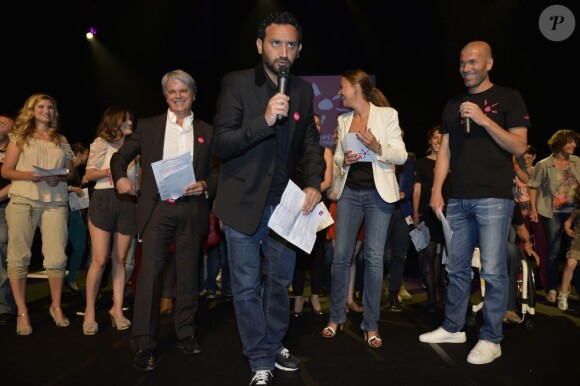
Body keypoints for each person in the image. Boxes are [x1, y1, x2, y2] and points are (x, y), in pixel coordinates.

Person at [212, 12, 324, 386]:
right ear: (260, 46)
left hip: (286, 205)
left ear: (299, 50)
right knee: (246, 287)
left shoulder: (304, 91)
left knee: (279, 283)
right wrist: (263, 120)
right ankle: (259, 357)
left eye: (290, 45)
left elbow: (310, 145)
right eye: (275, 43)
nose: (283, 51)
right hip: (242, 204)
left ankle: (273, 342)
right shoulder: (237, 83)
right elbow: (222, 144)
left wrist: (313, 183)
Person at [419, 41, 530, 365]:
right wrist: (437, 189)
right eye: (462, 63)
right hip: (459, 199)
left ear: (489, 63)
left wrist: (483, 119)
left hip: (494, 198)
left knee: (494, 272)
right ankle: (454, 326)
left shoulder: (509, 98)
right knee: (456, 269)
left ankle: (491, 337)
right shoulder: (453, 104)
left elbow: (519, 145)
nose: (466, 68)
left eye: (472, 62)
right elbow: (445, 151)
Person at [111, 69, 218, 371]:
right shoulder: (148, 127)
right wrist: (120, 178)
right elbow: (119, 158)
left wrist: (206, 184)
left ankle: (185, 333)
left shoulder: (208, 131)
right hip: (158, 209)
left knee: (187, 276)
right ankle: (144, 343)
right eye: (171, 91)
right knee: (150, 278)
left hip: (192, 209)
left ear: (193, 94)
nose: (177, 96)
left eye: (183, 90)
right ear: (166, 96)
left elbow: (216, 172)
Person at [321, 68, 407, 349]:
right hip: (349, 194)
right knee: (341, 256)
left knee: (373, 258)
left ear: (357, 88)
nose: (339, 92)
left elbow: (401, 154)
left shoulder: (387, 115)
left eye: (343, 87)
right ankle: (335, 317)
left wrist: (377, 145)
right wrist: (343, 160)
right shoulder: (344, 120)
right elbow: (335, 159)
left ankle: (371, 324)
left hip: (378, 195)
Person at [1, 93, 75, 335]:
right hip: (23, 200)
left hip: (55, 202)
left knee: (56, 258)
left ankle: (56, 305)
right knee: (18, 256)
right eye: (41, 106)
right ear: (31, 110)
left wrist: (59, 177)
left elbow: (71, 173)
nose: (46, 110)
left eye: (50, 106)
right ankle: (22, 311)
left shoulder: (62, 139)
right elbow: (6, 171)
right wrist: (28, 175)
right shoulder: (19, 137)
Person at [82, 105, 137, 335]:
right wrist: (115, 171)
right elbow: (88, 174)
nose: (130, 124)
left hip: (128, 203)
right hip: (104, 199)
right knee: (100, 258)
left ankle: (117, 309)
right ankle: (90, 311)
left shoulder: (135, 146)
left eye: (131, 120)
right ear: (114, 121)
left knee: (121, 258)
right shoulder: (100, 143)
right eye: (126, 120)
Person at [528, 129, 580, 304]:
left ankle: (574, 287)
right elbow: (533, 187)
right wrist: (533, 209)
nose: (574, 145)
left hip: (574, 212)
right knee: (554, 251)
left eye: (574, 142)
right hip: (552, 213)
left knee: (574, 251)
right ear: (559, 143)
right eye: (570, 142)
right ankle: (552, 287)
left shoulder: (576, 161)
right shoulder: (543, 164)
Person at [292, 113, 332, 316]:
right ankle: (298, 297)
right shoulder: (294, 150)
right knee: (297, 255)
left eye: (318, 124)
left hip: (317, 207)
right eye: (312, 124)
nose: (315, 127)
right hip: (296, 207)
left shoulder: (326, 151)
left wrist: (312, 193)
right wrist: (299, 199)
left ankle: (315, 296)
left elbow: (328, 181)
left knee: (317, 255)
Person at [413, 124, 448, 311]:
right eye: (435, 137)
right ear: (430, 140)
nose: (438, 141)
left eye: (442, 138)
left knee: (446, 259)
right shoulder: (420, 163)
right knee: (428, 256)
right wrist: (416, 213)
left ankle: (444, 294)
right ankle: (431, 300)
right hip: (427, 213)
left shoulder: (452, 162)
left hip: (449, 214)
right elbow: (416, 191)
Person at [385, 151, 415, 312]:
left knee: (399, 255)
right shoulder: (381, 156)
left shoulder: (407, 161)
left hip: (402, 212)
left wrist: (406, 194)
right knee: (382, 255)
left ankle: (393, 294)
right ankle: (372, 290)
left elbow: (411, 185)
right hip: (383, 210)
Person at [64, 142, 89, 294]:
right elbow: (55, 183)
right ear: (79, 154)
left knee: (78, 246)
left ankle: (69, 280)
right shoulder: (66, 167)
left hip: (74, 211)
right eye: (86, 154)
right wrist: (71, 188)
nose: (87, 157)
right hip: (65, 211)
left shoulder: (77, 170)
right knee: (68, 247)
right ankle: (66, 280)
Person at [0, 114, 15, 326]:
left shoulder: (16, 151)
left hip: (4, 207)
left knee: (4, 254)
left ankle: (4, 307)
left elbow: (17, 181)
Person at [561, 187, 580, 311]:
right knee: (570, 263)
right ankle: (563, 295)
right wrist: (568, 229)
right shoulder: (578, 209)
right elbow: (568, 222)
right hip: (578, 241)